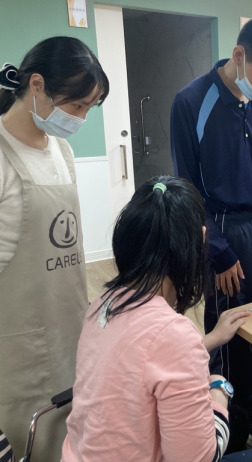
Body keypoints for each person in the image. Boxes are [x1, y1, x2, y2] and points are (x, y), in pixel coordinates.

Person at [61, 176, 252, 462]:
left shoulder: (102, 304)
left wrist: (211, 339)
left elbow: (144, 357)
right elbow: (198, 458)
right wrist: (220, 390)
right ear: (200, 239)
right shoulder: (172, 334)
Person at [170, 9, 252, 445]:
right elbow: (188, 188)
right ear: (239, 55)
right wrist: (219, 251)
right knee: (230, 332)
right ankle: (227, 419)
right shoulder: (191, 101)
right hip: (224, 233)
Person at [0, 36, 109, 461]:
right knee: (33, 442)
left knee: (74, 435)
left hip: (69, 323)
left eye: (89, 108)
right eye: (77, 105)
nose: (81, 119)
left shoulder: (62, 150)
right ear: (37, 85)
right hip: (18, 344)